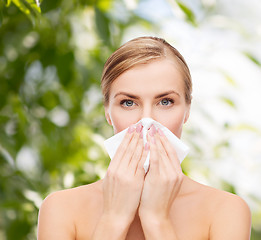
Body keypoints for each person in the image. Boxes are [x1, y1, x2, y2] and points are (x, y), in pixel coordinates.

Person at [37, 36, 251, 240]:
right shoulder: (61, 209)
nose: (147, 121)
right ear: (107, 112)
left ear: (187, 110)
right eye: (128, 103)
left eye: (165, 102)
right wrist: (113, 219)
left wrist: (157, 220)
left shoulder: (226, 211)